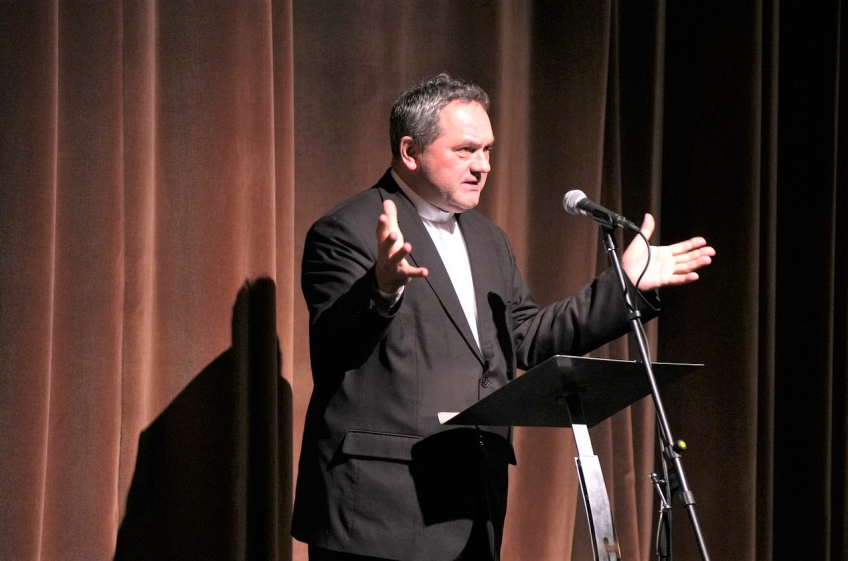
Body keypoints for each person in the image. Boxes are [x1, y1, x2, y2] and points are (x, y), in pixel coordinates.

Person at [291, 73, 714, 561]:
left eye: (488, 151)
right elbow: (334, 345)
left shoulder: (488, 239)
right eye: (466, 151)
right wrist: (382, 289)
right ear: (410, 151)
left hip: (473, 506)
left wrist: (623, 287)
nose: (483, 165)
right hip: (379, 512)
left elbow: (528, 338)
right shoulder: (347, 230)